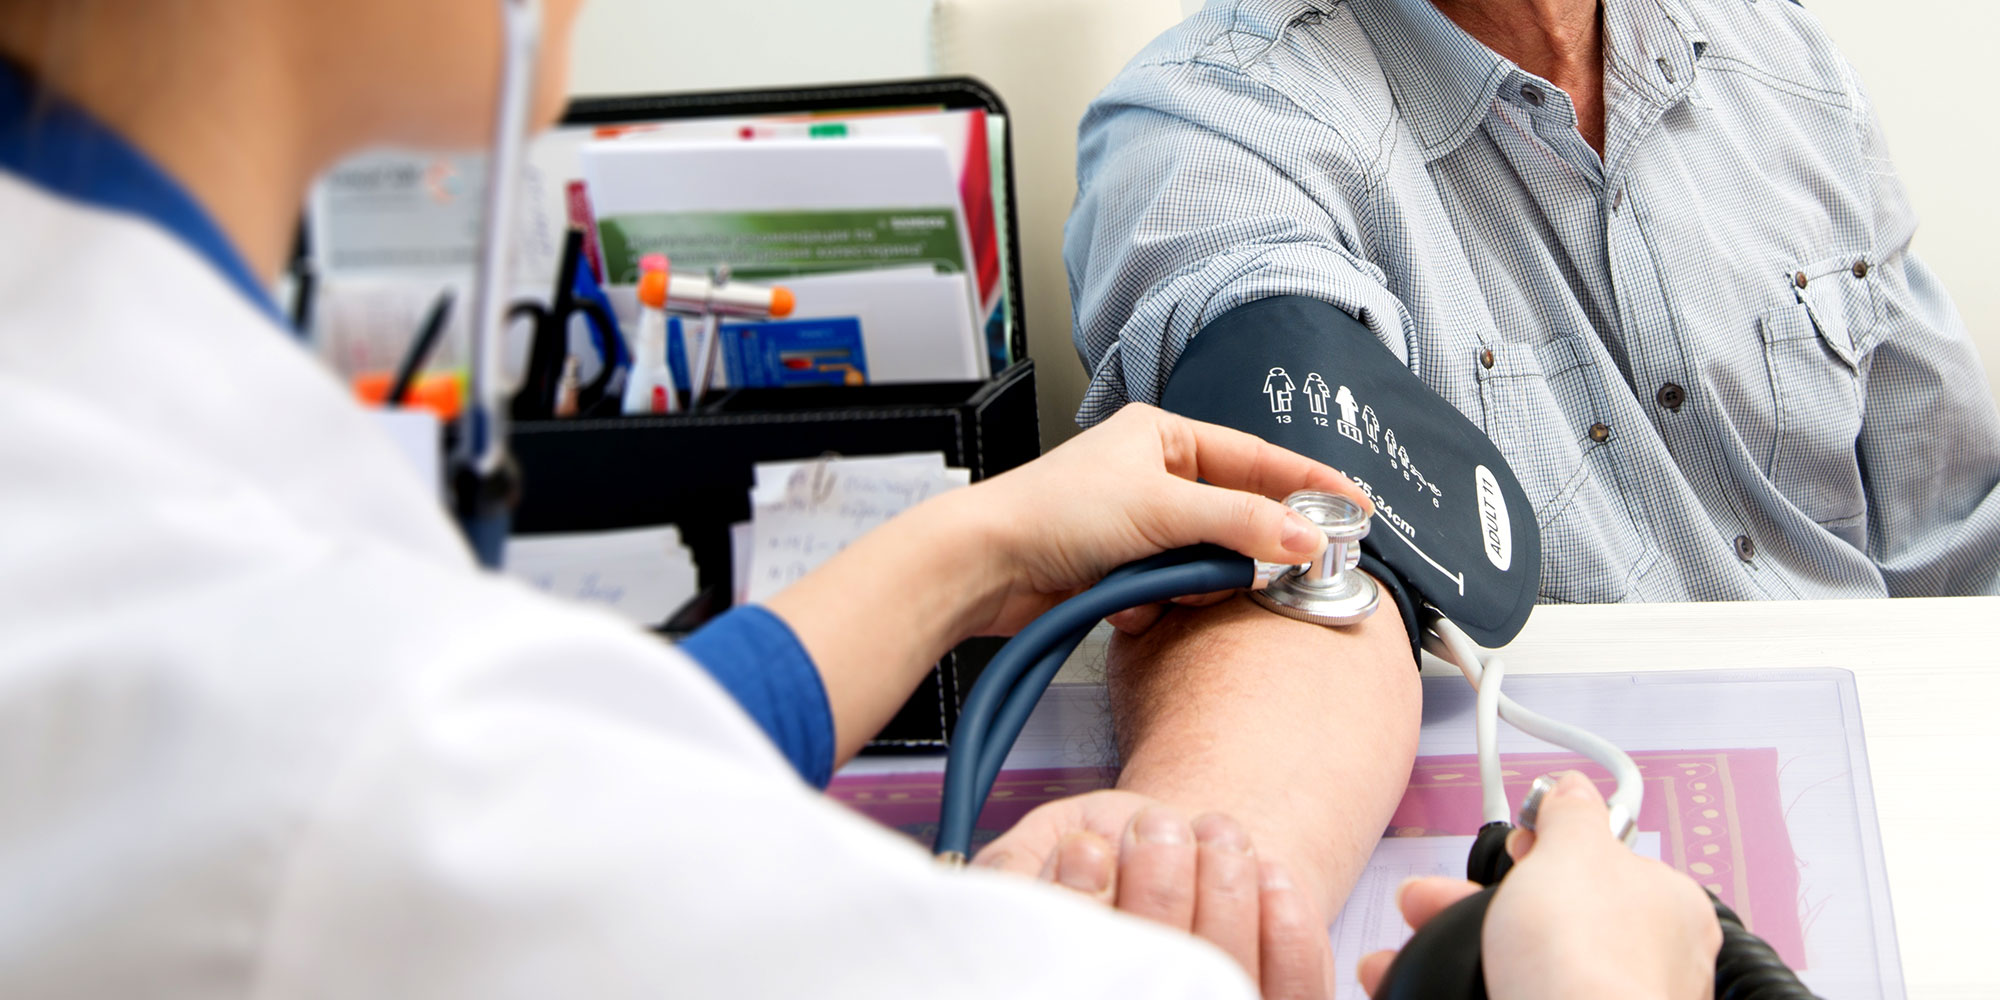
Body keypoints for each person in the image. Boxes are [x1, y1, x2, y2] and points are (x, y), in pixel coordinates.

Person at [0, 1, 1726, 998]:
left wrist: (966, 548)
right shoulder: (322, 736)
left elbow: (525, 758)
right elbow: (433, 786)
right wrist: (1605, 982)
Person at [1048, 0, 2000, 977]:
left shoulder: (1780, 59)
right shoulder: (1216, 115)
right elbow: (1284, 524)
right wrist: (1208, 866)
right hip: (1558, 881)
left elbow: (1958, 537)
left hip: (1912, 834)